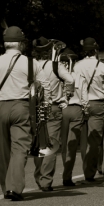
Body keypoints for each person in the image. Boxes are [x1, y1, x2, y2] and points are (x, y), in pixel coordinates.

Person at [0, 26, 50, 200]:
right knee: (20, 148)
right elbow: (45, 86)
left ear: (5, 44)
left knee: (3, 150)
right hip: (21, 108)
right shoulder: (30, 63)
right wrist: (45, 106)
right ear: (20, 44)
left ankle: (6, 188)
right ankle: (15, 188)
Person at [32, 38, 75, 191]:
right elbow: (70, 79)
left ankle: (38, 176)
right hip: (53, 107)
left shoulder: (30, 65)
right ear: (50, 50)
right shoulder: (56, 66)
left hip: (33, 108)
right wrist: (67, 94)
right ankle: (45, 181)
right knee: (51, 143)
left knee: (37, 143)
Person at [74, 38, 104, 182]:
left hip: (79, 103)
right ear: (96, 50)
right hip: (97, 103)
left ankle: (73, 171)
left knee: (82, 138)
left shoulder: (77, 65)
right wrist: (103, 88)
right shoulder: (103, 67)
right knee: (94, 140)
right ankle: (89, 172)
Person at [60, 49, 87, 187]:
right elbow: (84, 98)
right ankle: (67, 176)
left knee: (62, 145)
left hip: (61, 109)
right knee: (72, 145)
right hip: (76, 108)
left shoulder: (57, 75)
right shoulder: (79, 77)